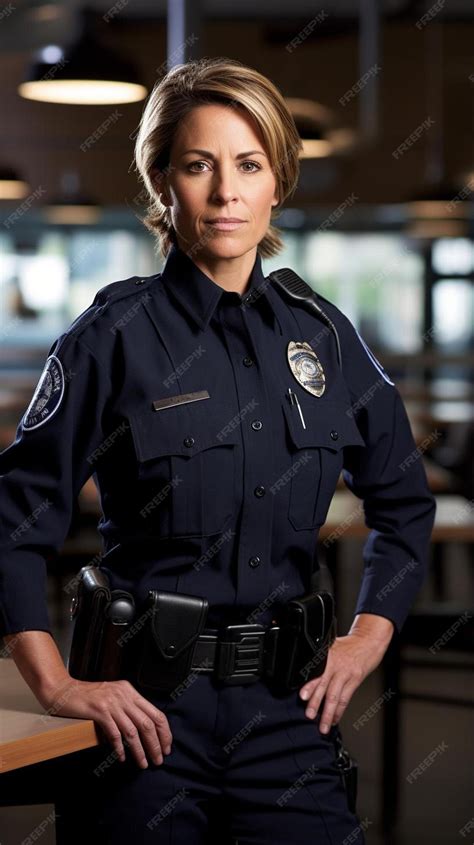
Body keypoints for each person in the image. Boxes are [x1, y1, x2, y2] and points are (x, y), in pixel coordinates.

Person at [0, 57, 436, 844]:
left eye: (249, 164)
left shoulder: (326, 336)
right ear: (163, 180)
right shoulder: (110, 339)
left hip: (289, 712)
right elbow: (13, 524)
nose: (226, 191)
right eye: (199, 165)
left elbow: (404, 501)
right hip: (143, 719)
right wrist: (58, 685)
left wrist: (369, 635)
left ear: (278, 180)